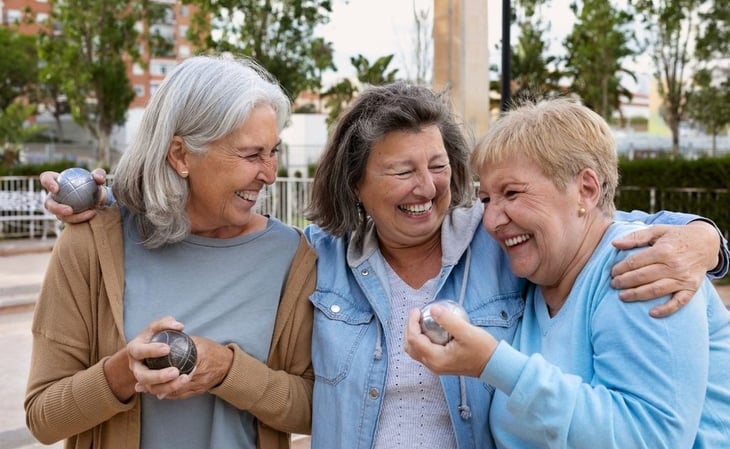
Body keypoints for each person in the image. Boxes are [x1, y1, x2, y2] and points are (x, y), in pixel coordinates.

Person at [40, 82, 728, 449]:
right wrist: (115, 194)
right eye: (401, 171)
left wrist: (706, 240)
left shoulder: (494, 241)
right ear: (356, 187)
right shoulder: (319, 259)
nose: (426, 187)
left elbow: (604, 219)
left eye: (437, 167)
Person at [25, 55, 317, 449]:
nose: (269, 173)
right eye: (251, 155)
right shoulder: (93, 242)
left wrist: (228, 371)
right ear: (180, 155)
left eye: (274, 151)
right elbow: (43, 417)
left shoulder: (291, 255)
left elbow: (316, 407)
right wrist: (124, 372)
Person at [404, 97, 730, 448]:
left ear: (586, 190)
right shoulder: (537, 277)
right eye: (485, 200)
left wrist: (492, 362)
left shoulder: (642, 264)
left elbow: (649, 437)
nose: (492, 220)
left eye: (512, 193)